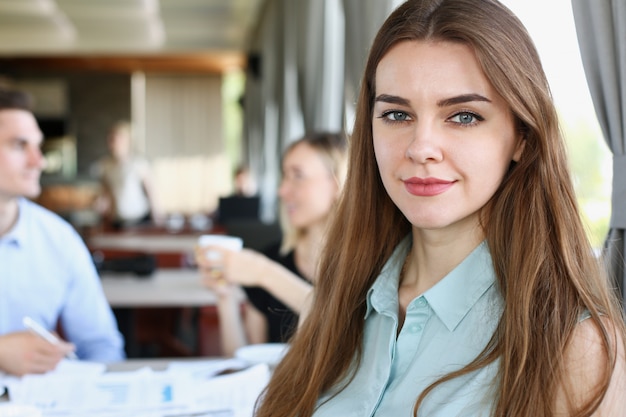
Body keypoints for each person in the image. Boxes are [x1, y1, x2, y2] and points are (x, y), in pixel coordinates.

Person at [254, 1, 626, 416]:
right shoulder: (337, 306)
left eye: (464, 116)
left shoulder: (577, 347)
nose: (421, 148)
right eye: (396, 114)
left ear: (522, 136)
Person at [0, 87, 125, 376]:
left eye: (38, 146)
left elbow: (102, 348)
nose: (38, 161)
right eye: (20, 146)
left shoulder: (59, 240)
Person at [196, 132, 347, 356]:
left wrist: (264, 273)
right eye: (284, 176)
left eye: (298, 175)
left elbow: (348, 330)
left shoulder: (370, 265)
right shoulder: (272, 258)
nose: (282, 190)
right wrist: (225, 296)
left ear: (338, 184)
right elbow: (246, 362)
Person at [93, 120, 162, 229]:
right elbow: (105, 194)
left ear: (128, 140)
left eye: (117, 138)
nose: (113, 142)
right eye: (111, 139)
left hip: (140, 221)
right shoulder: (105, 166)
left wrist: (158, 220)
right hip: (117, 222)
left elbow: (152, 193)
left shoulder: (139, 163)